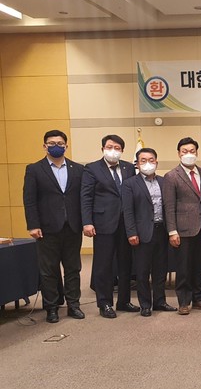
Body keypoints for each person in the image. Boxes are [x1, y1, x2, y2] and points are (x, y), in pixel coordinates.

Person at [23, 130, 85, 323]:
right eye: (51, 143)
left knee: (73, 268)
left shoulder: (78, 169)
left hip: (72, 227)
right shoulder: (34, 169)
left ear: (66, 146)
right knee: (48, 271)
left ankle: (74, 305)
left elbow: (83, 199)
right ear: (44, 146)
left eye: (59, 143)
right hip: (46, 229)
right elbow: (30, 200)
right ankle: (51, 307)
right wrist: (33, 225)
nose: (56, 146)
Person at [81, 134, 137, 318]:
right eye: (109, 147)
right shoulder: (92, 168)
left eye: (117, 148)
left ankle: (124, 301)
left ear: (122, 150)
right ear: (103, 149)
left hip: (126, 223)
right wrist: (87, 222)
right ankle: (104, 303)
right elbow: (86, 197)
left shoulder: (129, 167)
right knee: (103, 265)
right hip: (103, 223)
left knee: (126, 264)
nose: (113, 151)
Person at [121, 148, 175, 317]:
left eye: (151, 160)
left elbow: (169, 207)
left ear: (156, 162)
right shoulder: (130, 184)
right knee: (143, 271)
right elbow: (128, 211)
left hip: (162, 230)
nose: (148, 163)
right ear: (137, 164)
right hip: (142, 232)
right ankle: (145, 304)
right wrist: (131, 232)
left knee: (161, 269)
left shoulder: (164, 181)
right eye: (143, 160)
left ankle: (160, 301)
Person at [163, 137, 201, 315]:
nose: (189, 154)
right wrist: (172, 231)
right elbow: (169, 206)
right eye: (185, 151)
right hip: (182, 229)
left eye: (192, 151)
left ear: (197, 153)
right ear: (179, 153)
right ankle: (184, 301)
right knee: (183, 268)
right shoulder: (171, 176)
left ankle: (199, 298)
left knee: (200, 266)